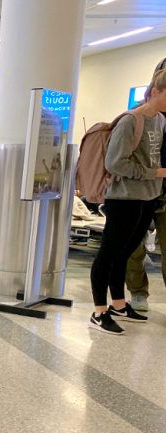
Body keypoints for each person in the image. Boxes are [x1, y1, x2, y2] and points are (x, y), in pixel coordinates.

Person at [89, 68, 166, 335]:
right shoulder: (131, 121)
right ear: (154, 91)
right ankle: (99, 311)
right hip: (124, 198)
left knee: (125, 253)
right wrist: (153, 173)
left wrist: (154, 179)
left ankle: (119, 305)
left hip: (147, 197)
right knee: (109, 254)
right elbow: (115, 163)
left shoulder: (160, 121)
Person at [124, 57, 166, 312]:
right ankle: (138, 291)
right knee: (132, 247)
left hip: (162, 191)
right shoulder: (141, 114)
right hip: (139, 191)